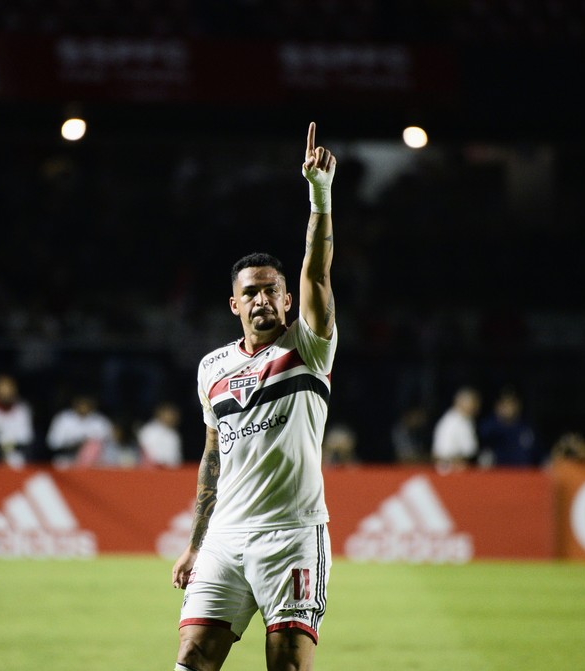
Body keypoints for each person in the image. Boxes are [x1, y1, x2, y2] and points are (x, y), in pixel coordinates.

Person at [171, 122, 338, 671]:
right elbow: (213, 457)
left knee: (286, 664)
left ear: (288, 300)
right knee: (193, 656)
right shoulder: (212, 367)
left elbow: (317, 270)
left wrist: (319, 195)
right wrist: (196, 543)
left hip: (291, 535)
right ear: (234, 304)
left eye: (272, 290)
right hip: (224, 537)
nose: (262, 298)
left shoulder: (309, 347)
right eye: (251, 292)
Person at [45, 393, 114, 468]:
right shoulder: (63, 418)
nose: (84, 407)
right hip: (66, 461)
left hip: (94, 464)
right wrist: (74, 445)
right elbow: (52, 443)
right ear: (75, 404)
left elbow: (111, 443)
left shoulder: (100, 421)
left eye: (87, 404)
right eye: (81, 404)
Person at [478, 388, 541, 467]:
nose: (508, 407)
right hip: (498, 475)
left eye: (511, 403)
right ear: (497, 406)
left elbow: (539, 455)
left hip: (524, 475)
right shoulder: (489, 427)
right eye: (504, 404)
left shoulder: (526, 428)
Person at [431, 387, 480, 471]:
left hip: (464, 469)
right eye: (473, 403)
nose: (475, 407)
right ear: (461, 402)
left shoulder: (466, 420)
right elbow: (441, 453)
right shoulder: (450, 422)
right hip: (450, 471)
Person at [138, 402, 184, 468]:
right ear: (160, 413)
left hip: (170, 471)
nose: (172, 417)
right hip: (151, 470)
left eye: (174, 414)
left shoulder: (174, 435)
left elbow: (176, 459)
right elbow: (149, 455)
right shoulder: (148, 430)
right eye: (169, 414)